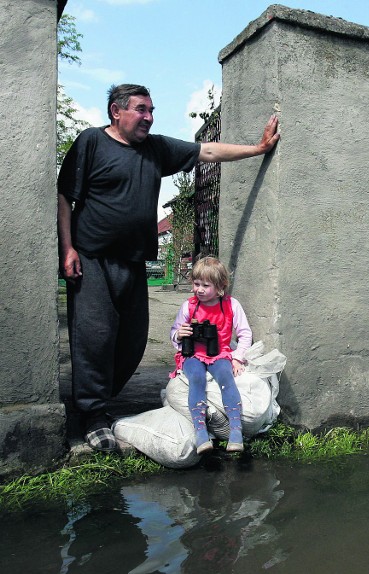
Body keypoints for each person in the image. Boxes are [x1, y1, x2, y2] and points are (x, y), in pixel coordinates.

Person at [57, 83, 279, 451]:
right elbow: (67, 196)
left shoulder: (155, 149)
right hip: (92, 256)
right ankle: (93, 414)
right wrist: (68, 249)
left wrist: (257, 149)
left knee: (132, 340)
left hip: (132, 261)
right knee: (94, 338)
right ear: (116, 111)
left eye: (151, 110)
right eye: (141, 109)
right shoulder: (91, 142)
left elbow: (207, 150)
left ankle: (93, 398)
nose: (149, 117)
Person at [170, 257, 250, 453]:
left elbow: (245, 333)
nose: (200, 289)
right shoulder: (189, 306)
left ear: (221, 286)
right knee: (196, 378)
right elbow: (174, 333)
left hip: (219, 352)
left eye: (206, 285)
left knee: (225, 376)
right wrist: (179, 335)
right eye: (196, 284)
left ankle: (235, 431)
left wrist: (238, 357)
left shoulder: (231, 305)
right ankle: (201, 433)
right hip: (193, 354)